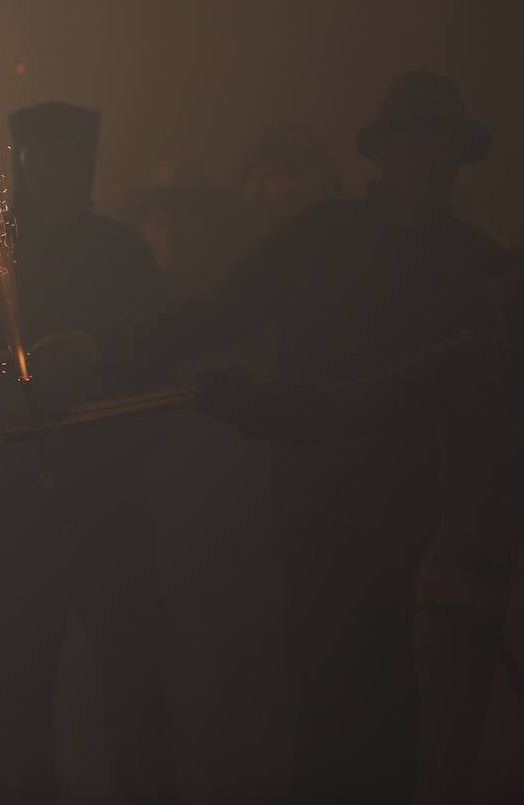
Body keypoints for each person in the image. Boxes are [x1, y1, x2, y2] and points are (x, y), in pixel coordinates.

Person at [39, 72, 505, 803]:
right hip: (323, 516)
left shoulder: (479, 268)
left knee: (406, 731)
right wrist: (106, 349)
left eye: (439, 147)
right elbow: (216, 315)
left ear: (456, 158)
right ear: (386, 154)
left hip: (427, 532)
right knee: (331, 720)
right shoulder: (326, 237)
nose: (428, 162)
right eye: (416, 144)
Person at [0, 102, 174, 804]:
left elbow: (161, 360)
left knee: (134, 689)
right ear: (24, 165)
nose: (60, 172)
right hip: (15, 506)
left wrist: (121, 441)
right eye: (46, 158)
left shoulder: (121, 253)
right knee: (13, 688)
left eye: (70, 159)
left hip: (106, 500)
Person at [193, 252, 524, 805]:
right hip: (464, 595)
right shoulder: (470, 361)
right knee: (459, 769)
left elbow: (351, 407)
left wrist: (255, 404)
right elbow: (352, 407)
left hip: (467, 594)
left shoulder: (474, 360)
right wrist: (255, 404)